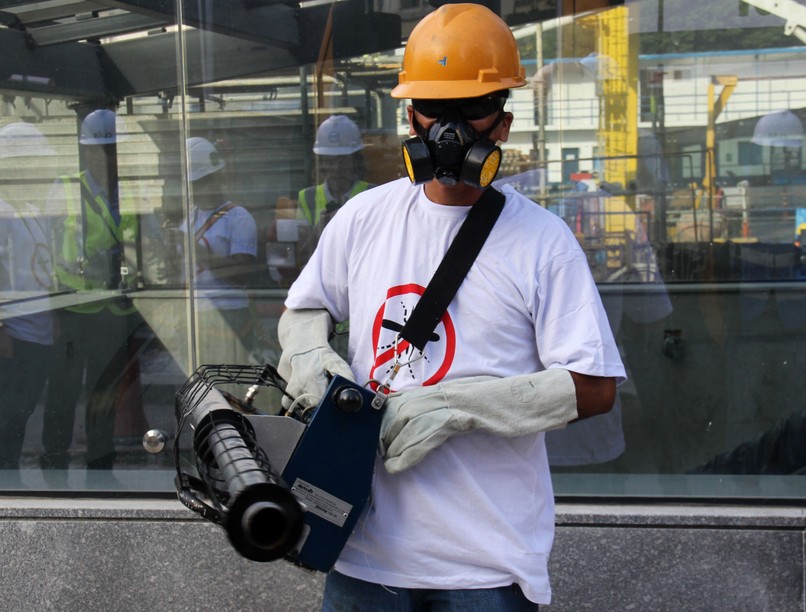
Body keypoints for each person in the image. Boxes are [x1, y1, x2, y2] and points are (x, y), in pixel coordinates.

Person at [277, 4, 625, 609]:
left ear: (504, 124)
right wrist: (310, 357)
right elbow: (305, 308)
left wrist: (459, 406)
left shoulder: (543, 242)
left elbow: (594, 387)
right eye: (435, 107)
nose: (450, 128)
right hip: (363, 555)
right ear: (410, 113)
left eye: (473, 108)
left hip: (483, 567)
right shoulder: (366, 217)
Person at [43, 108, 144, 472]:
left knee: (103, 391)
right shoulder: (67, 189)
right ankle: (52, 461)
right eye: (100, 149)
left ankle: (100, 461)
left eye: (112, 148)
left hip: (113, 310)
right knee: (64, 391)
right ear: (85, 152)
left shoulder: (128, 190)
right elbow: (48, 251)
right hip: (73, 310)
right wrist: (53, 310)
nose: (106, 156)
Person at [0, 123, 58, 482]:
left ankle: (11, 476)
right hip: (14, 336)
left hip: (37, 333)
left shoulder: (31, 209)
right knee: (7, 416)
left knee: (19, 413)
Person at [180, 136, 258, 366]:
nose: (201, 189)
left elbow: (242, 272)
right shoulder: (191, 216)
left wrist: (199, 253)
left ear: (218, 178)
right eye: (195, 184)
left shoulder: (238, 217)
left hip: (230, 312)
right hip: (198, 311)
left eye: (205, 181)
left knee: (232, 379)